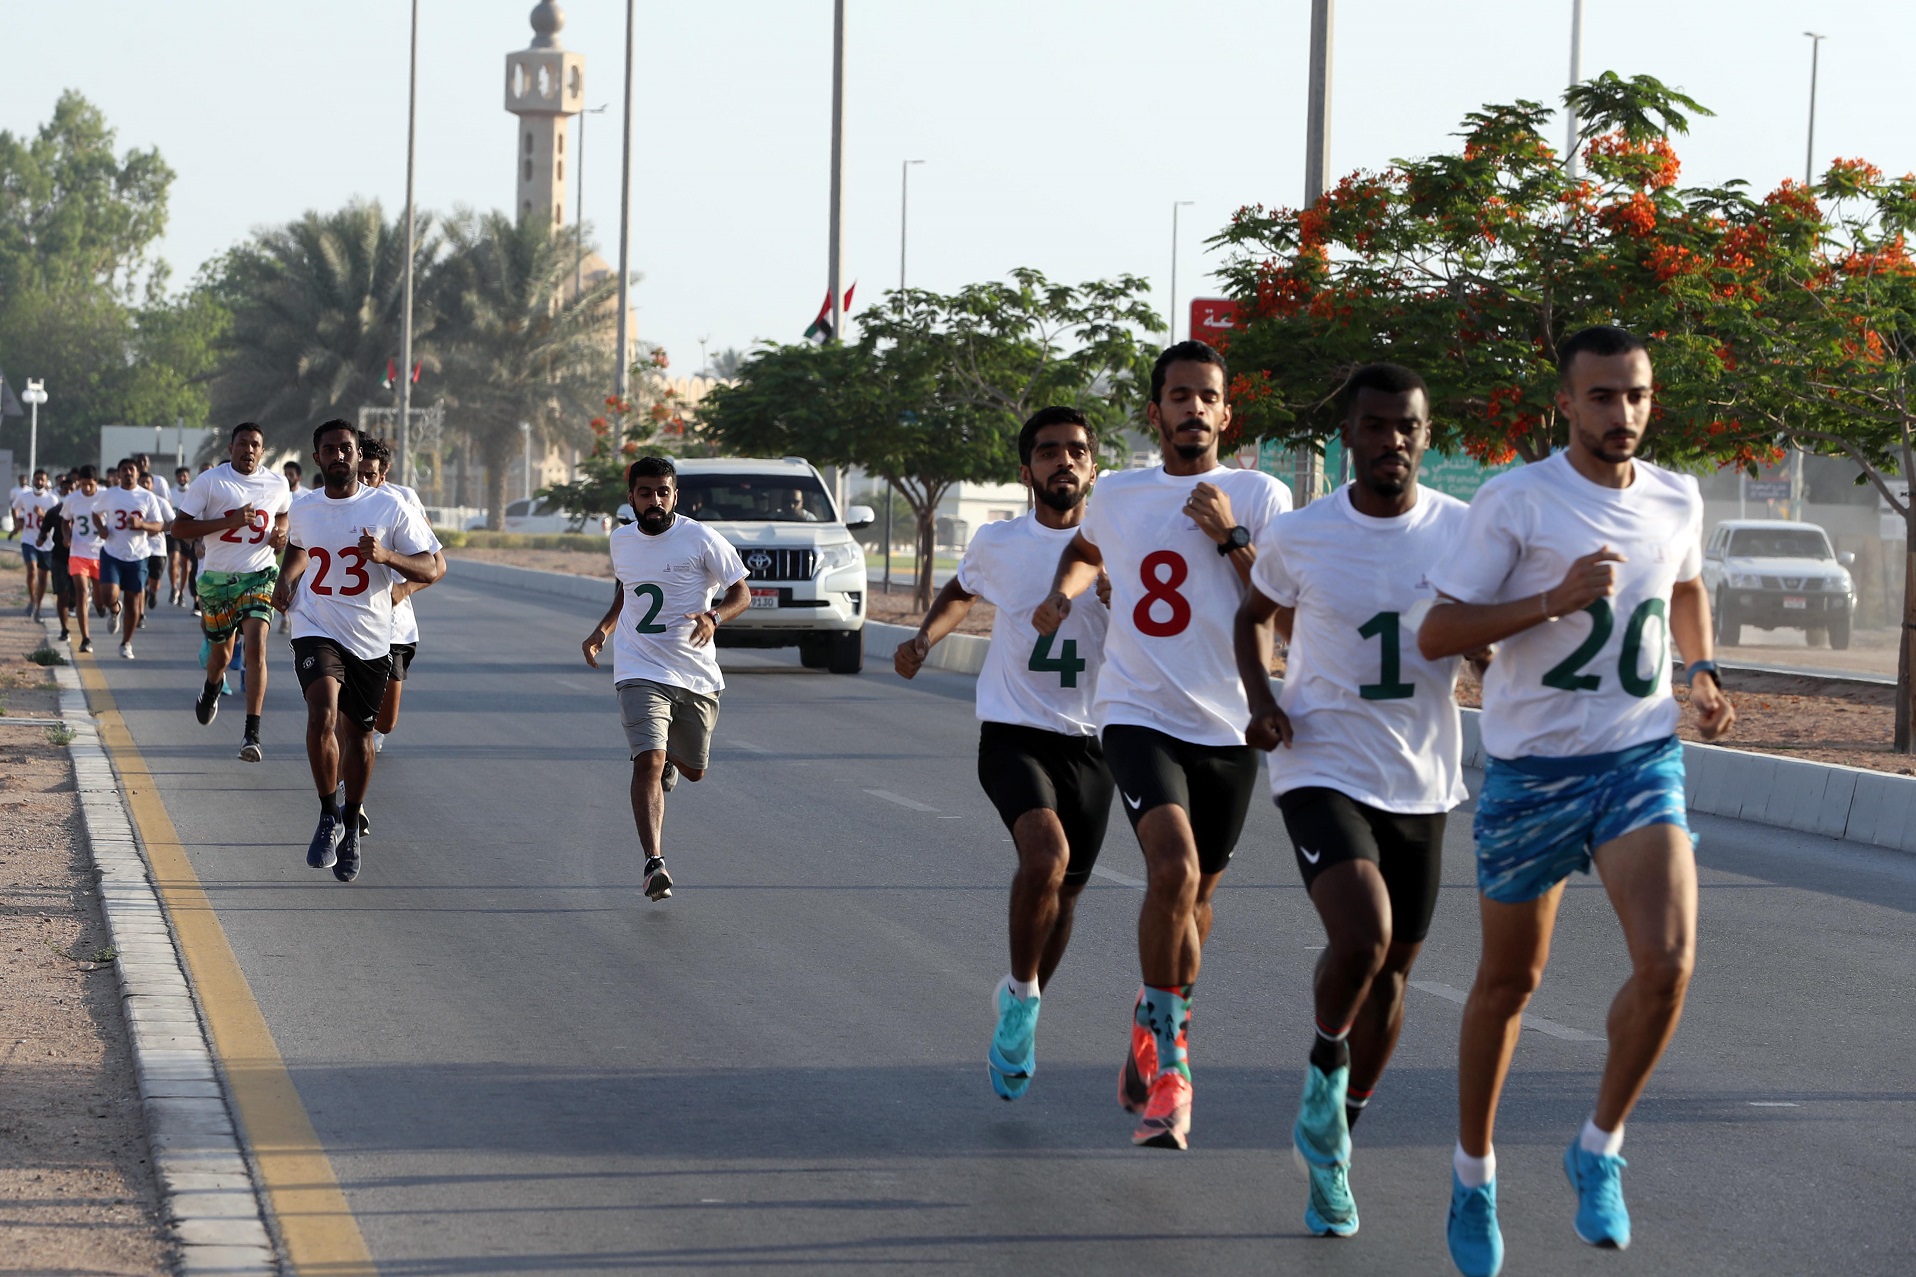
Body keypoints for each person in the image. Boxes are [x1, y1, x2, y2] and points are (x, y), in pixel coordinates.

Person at [1417, 326, 1735, 1276]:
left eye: (1636, 395)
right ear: (1565, 403)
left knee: (1669, 963)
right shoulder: (1516, 499)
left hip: (1639, 757)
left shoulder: (1677, 495)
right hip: (1532, 775)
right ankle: (1474, 1173)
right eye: (1602, 396)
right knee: (1510, 983)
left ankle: (1599, 1146)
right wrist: (1550, 601)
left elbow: (1686, 585)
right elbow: (1438, 631)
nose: (1623, 413)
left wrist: (1701, 669)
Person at [1033, 341, 1292, 1149]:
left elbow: (1283, 606)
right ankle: (1174, 1069)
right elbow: (1085, 547)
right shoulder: (1118, 492)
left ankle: (1152, 1014)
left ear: (1226, 412)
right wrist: (1064, 591)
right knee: (1172, 871)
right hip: (1136, 712)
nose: (1193, 408)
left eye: (1207, 396)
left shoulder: (1261, 494)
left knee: (1198, 899)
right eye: (1179, 396)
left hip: (1229, 722)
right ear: (1156, 412)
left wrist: (1229, 534)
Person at [1232, 363, 1471, 1237]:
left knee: (1395, 974)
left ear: (1426, 434)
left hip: (1424, 779)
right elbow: (1251, 616)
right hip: (1321, 762)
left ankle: (1337, 1136)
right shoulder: (1303, 533)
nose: (1393, 440)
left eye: (1408, 426)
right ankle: (1324, 1056)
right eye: (1376, 425)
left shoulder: (1463, 531)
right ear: (1349, 436)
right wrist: (1262, 698)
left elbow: (1494, 629)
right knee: (1363, 938)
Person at [894, 407, 1113, 1101]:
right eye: (1048, 451)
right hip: (1014, 731)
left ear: (1093, 468)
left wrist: (1122, 595)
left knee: (1067, 895)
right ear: (1026, 471)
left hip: (1094, 741)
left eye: (1076, 451)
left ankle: (1027, 997)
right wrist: (925, 637)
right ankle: (1021, 995)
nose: (1063, 461)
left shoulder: (1122, 546)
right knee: (1045, 858)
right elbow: (961, 590)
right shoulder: (999, 542)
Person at [271, 421, 441, 882]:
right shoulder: (304, 506)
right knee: (321, 713)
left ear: (357, 453)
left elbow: (431, 567)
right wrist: (286, 580)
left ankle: (351, 819)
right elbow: (300, 548)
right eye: (329, 450)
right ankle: (328, 813)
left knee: (361, 735)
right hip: (315, 625)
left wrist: (387, 557)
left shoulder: (389, 505)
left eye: (346, 448)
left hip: (369, 637)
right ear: (318, 458)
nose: (339, 456)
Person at [581, 457, 750, 903]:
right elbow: (627, 587)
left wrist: (714, 617)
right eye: (645, 493)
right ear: (631, 497)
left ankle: (674, 760)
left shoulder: (701, 538)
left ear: (675, 495)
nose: (654, 500)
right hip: (638, 668)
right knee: (647, 761)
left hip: (694, 673)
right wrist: (603, 630)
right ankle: (654, 862)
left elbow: (741, 592)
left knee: (693, 771)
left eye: (662, 492)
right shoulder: (621, 540)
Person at [173, 422, 295, 762]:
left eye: (255, 444)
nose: (249, 450)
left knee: (256, 645)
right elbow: (179, 528)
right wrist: (229, 522)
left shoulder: (277, 483)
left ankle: (251, 734)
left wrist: (280, 534)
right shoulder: (210, 482)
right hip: (217, 579)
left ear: (262, 451)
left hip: (260, 574)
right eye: (242, 443)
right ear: (230, 448)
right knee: (222, 656)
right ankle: (212, 686)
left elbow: (284, 515)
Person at [355, 435, 447, 763]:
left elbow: (437, 566)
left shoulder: (402, 500)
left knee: (386, 722)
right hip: (348, 622)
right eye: (358, 473)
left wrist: (404, 589)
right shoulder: (334, 499)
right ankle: (347, 770)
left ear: (384, 473)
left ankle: (367, 734)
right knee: (344, 712)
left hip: (395, 625)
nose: (363, 482)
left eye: (370, 475)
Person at [92, 459, 168, 658]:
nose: (128, 473)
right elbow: (95, 513)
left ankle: (126, 643)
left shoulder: (147, 497)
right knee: (108, 595)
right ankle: (115, 609)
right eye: (124, 470)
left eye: (131, 470)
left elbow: (159, 525)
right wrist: (101, 528)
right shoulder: (110, 494)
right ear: (118, 474)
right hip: (112, 553)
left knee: (133, 601)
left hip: (138, 555)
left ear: (137, 473)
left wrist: (142, 525)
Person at [56, 466, 114, 654]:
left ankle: (104, 606)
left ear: (96, 482)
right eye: (83, 484)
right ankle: (85, 639)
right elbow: (65, 521)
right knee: (81, 593)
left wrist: (106, 530)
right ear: (78, 482)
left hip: (102, 552)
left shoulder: (106, 495)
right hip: (78, 552)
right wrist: (66, 536)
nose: (87, 488)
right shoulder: (72, 499)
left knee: (100, 598)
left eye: (90, 485)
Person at [37, 473, 79, 641]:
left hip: (79, 556)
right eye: (65, 489)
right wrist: (41, 538)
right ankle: (64, 629)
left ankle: (73, 604)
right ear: (60, 491)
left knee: (76, 596)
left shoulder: (83, 510)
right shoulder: (54, 511)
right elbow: (45, 529)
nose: (68, 492)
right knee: (61, 594)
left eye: (71, 489)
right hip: (59, 556)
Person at [12, 470, 59, 620]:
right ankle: (32, 600)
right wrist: (17, 522)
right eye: (37, 479)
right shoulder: (25, 496)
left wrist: (43, 515)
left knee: (43, 577)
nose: (39, 482)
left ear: (46, 482)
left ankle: (38, 606)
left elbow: (57, 520)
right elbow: (14, 507)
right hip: (28, 539)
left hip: (46, 542)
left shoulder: (52, 499)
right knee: (32, 569)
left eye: (42, 480)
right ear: (32, 480)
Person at [139, 471, 173, 616]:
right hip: (139, 549)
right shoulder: (133, 502)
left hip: (158, 549)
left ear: (152, 485)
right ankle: (140, 614)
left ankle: (152, 593)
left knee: (154, 581)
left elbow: (172, 523)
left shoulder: (161, 502)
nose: (144, 485)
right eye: (142, 482)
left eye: (147, 482)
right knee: (140, 583)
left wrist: (157, 528)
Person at [170, 465, 198, 606]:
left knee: (185, 563)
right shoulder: (171, 493)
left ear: (188, 477)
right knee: (174, 559)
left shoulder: (194, 492)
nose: (182, 478)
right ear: (176, 478)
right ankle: (174, 587)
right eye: (179, 476)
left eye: (184, 476)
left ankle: (181, 592)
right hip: (174, 531)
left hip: (188, 532)